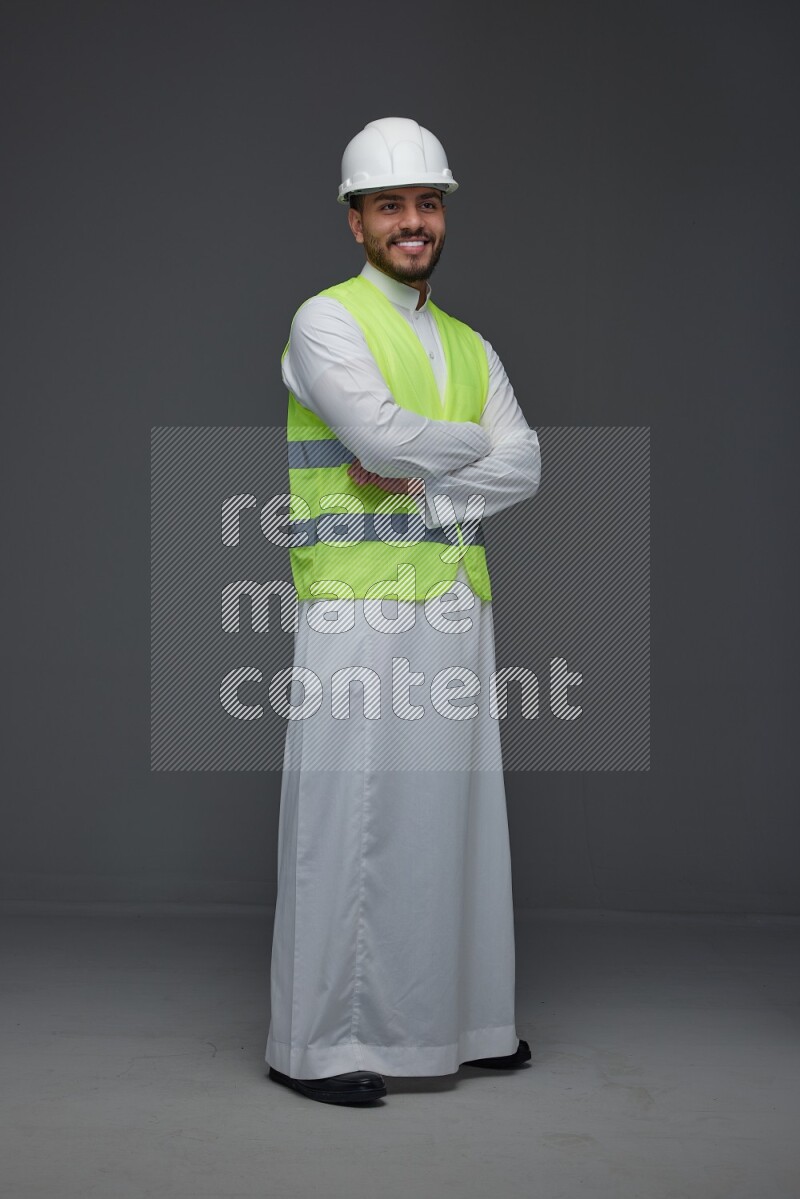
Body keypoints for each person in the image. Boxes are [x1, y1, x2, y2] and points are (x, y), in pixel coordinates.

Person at [265, 117, 541, 1105]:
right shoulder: (325, 322)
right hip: (357, 608)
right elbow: (369, 427)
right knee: (349, 820)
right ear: (355, 222)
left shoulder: (469, 342)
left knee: (452, 815)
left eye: (426, 203)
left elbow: (528, 462)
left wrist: (421, 476)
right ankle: (315, 1044)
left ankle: (466, 1024)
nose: (412, 221)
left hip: (455, 603)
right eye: (390, 206)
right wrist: (464, 453)